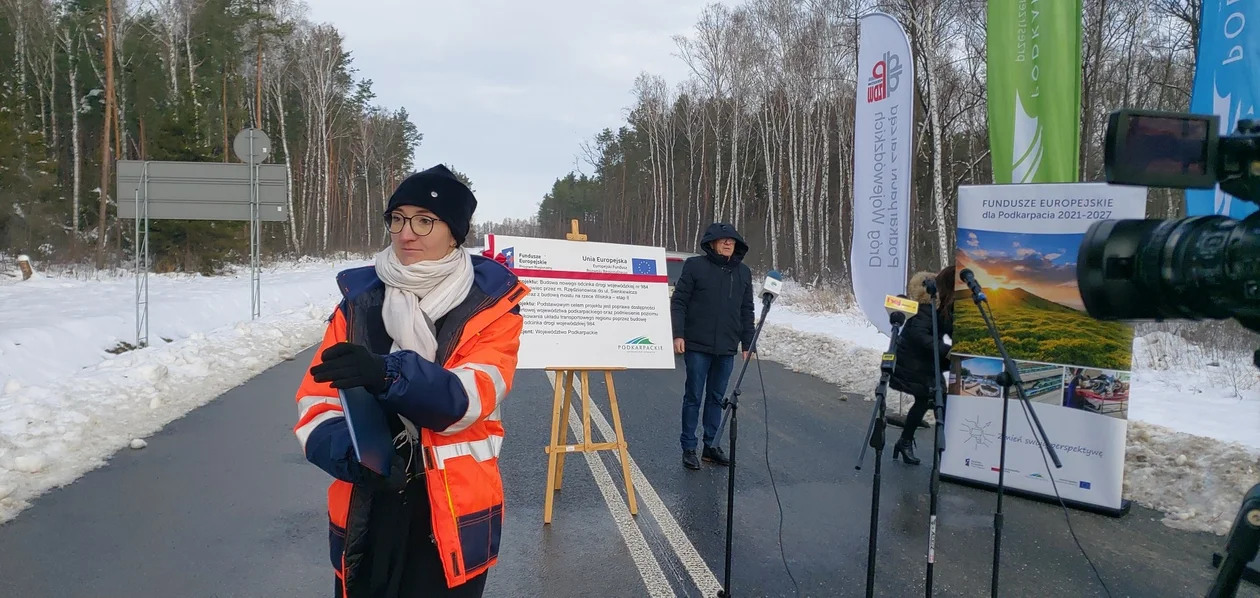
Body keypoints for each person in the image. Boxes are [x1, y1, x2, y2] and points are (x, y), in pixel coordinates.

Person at [291, 164, 530, 597]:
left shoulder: (493, 310)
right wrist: (358, 460)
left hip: (453, 510)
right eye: (397, 219)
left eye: (424, 220)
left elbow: (470, 397)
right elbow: (316, 405)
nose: (406, 233)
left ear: (455, 233)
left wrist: (388, 372)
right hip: (371, 501)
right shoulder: (357, 305)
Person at [670, 222, 755, 470]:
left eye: (732, 241)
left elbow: (746, 310)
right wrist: (678, 334)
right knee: (694, 396)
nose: (728, 243)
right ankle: (689, 447)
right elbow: (680, 302)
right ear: (712, 243)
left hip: (726, 348)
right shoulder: (695, 266)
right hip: (697, 345)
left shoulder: (743, 273)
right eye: (723, 240)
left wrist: (747, 342)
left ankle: (711, 445)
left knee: (717, 398)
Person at [889, 265, 955, 465]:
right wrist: (946, 350)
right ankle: (942, 453)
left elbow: (945, 327)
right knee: (932, 400)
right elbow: (920, 336)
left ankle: (907, 442)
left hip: (925, 361)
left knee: (933, 401)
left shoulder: (937, 306)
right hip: (915, 362)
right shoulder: (923, 307)